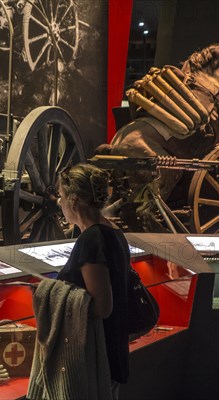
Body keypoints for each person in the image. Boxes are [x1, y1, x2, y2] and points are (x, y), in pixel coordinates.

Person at [55, 163, 130, 400]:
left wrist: (51, 292)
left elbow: (101, 306)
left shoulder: (92, 239)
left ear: (74, 200)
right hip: (111, 349)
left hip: (96, 356)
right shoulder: (112, 231)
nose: (59, 202)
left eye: (61, 196)